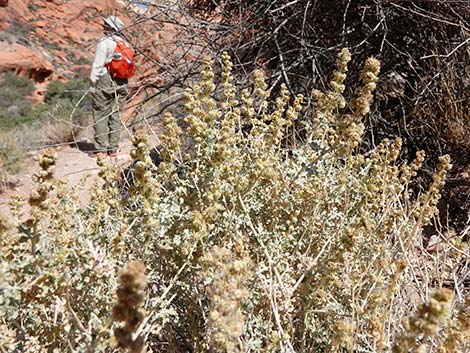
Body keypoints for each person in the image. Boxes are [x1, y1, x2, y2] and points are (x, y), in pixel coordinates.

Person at [89, 16, 129, 157]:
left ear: (110, 28)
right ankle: (113, 148)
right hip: (123, 81)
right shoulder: (126, 44)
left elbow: (98, 65)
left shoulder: (104, 42)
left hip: (106, 79)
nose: (103, 27)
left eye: (105, 25)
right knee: (116, 113)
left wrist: (92, 84)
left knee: (100, 112)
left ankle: (100, 148)